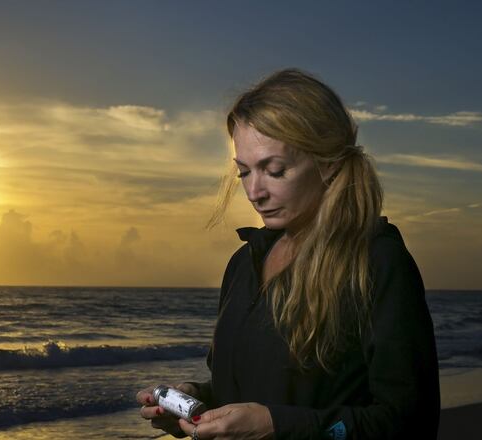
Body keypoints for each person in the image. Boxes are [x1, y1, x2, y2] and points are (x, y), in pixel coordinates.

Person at [137, 68, 440, 439]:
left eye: (274, 170)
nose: (254, 192)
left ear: (327, 162)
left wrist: (280, 428)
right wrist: (198, 404)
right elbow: (259, 395)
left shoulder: (377, 263)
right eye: (244, 173)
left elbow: (409, 424)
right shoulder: (243, 264)